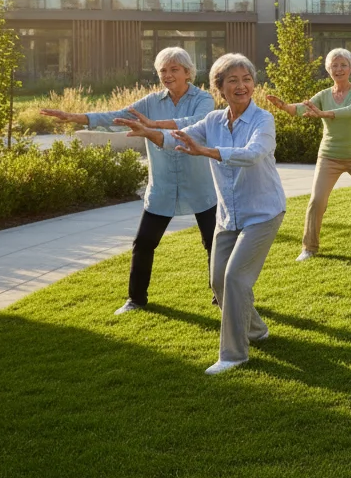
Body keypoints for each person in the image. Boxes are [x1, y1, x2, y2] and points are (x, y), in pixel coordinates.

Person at [121, 53, 286, 375]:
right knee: (219, 283)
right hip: (229, 216)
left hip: (262, 212)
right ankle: (256, 331)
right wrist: (149, 132)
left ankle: (233, 355)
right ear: (220, 88)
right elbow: (177, 138)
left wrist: (207, 151)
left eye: (247, 79)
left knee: (236, 279)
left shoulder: (263, 119)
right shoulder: (213, 121)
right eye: (233, 81)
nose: (242, 86)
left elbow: (253, 154)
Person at [40, 47, 218, 315]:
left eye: (173, 70)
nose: (167, 75)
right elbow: (116, 117)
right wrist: (75, 117)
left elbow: (197, 123)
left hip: (200, 185)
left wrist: (152, 126)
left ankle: (221, 295)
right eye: (162, 71)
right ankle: (135, 299)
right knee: (144, 242)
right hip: (163, 187)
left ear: (187, 72)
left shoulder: (203, 99)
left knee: (214, 243)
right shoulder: (150, 101)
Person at [268, 48, 351, 259]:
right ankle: (309, 248)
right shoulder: (323, 95)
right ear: (329, 70)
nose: (339, 69)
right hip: (329, 156)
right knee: (317, 201)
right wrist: (283, 106)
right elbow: (301, 108)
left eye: (343, 65)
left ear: (350, 68)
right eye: (334, 66)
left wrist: (324, 114)